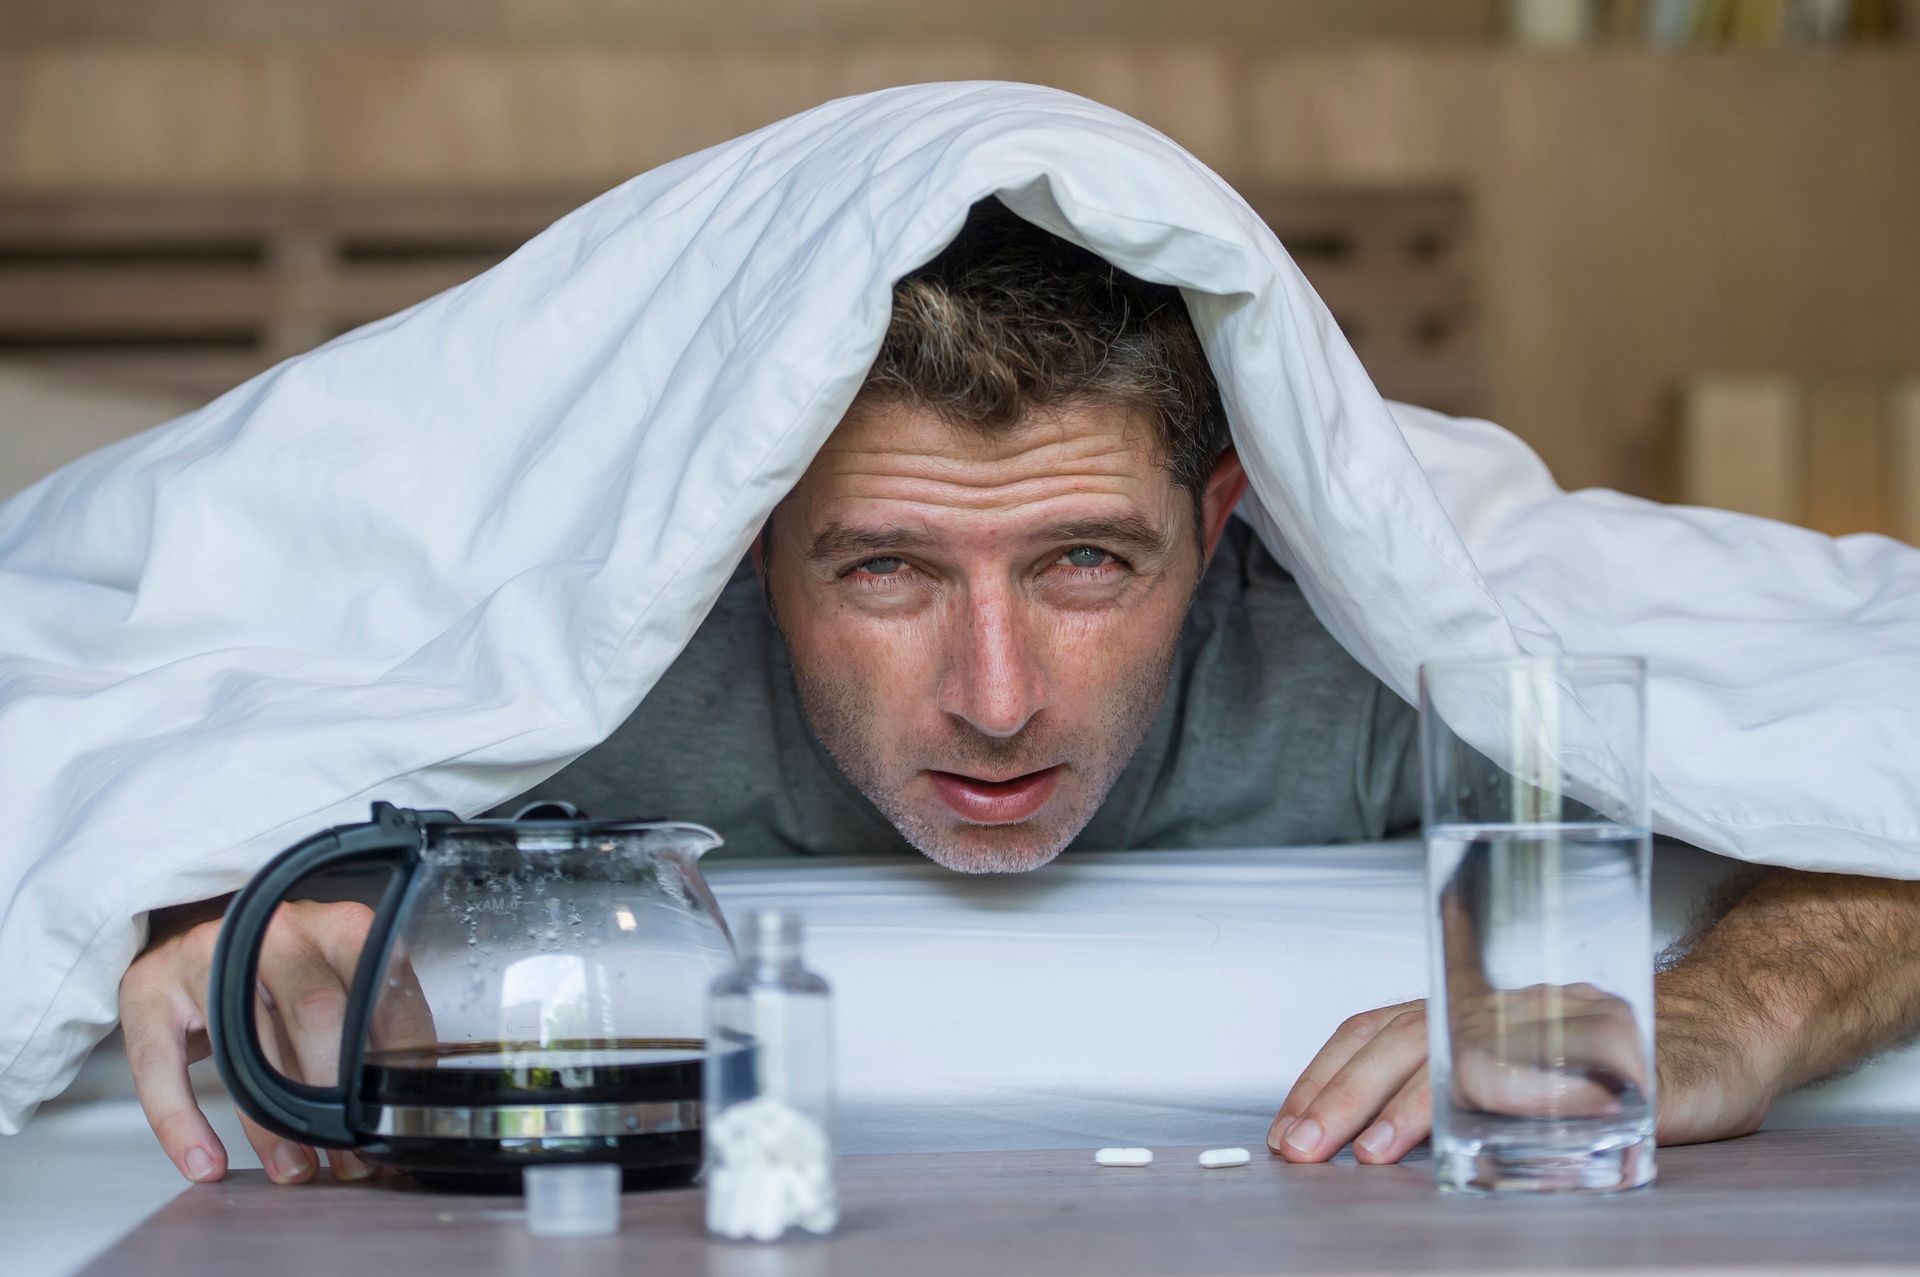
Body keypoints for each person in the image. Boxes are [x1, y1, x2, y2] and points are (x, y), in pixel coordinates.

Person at [119, 201, 1920, 1187]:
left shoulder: (1381, 646)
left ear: (1222, 522)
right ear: (747, 544)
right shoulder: (578, 670)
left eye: (1086, 563)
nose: (995, 699)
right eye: (884, 570)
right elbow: (146, 739)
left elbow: (1865, 746)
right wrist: (219, 905)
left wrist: (1729, 1010)